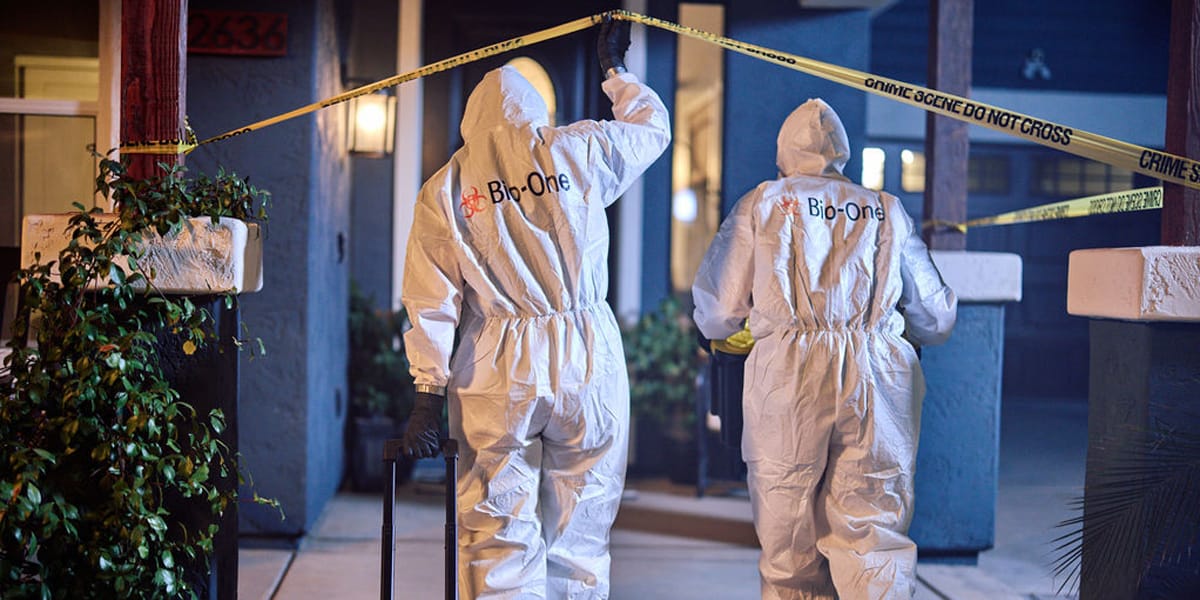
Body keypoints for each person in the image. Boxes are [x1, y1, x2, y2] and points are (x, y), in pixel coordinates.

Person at [399, 18, 670, 599]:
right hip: (587, 355)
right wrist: (616, 72)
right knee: (582, 530)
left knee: (496, 531)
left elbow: (431, 298)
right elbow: (650, 129)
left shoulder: (447, 186)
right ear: (533, 110)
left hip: (497, 367)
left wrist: (427, 392)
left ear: (471, 120)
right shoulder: (575, 149)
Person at [692, 98, 957, 600]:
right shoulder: (884, 208)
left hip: (788, 382)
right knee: (873, 539)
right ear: (842, 153)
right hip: (878, 380)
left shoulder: (764, 203)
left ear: (784, 153)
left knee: (789, 546)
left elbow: (717, 309)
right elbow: (936, 317)